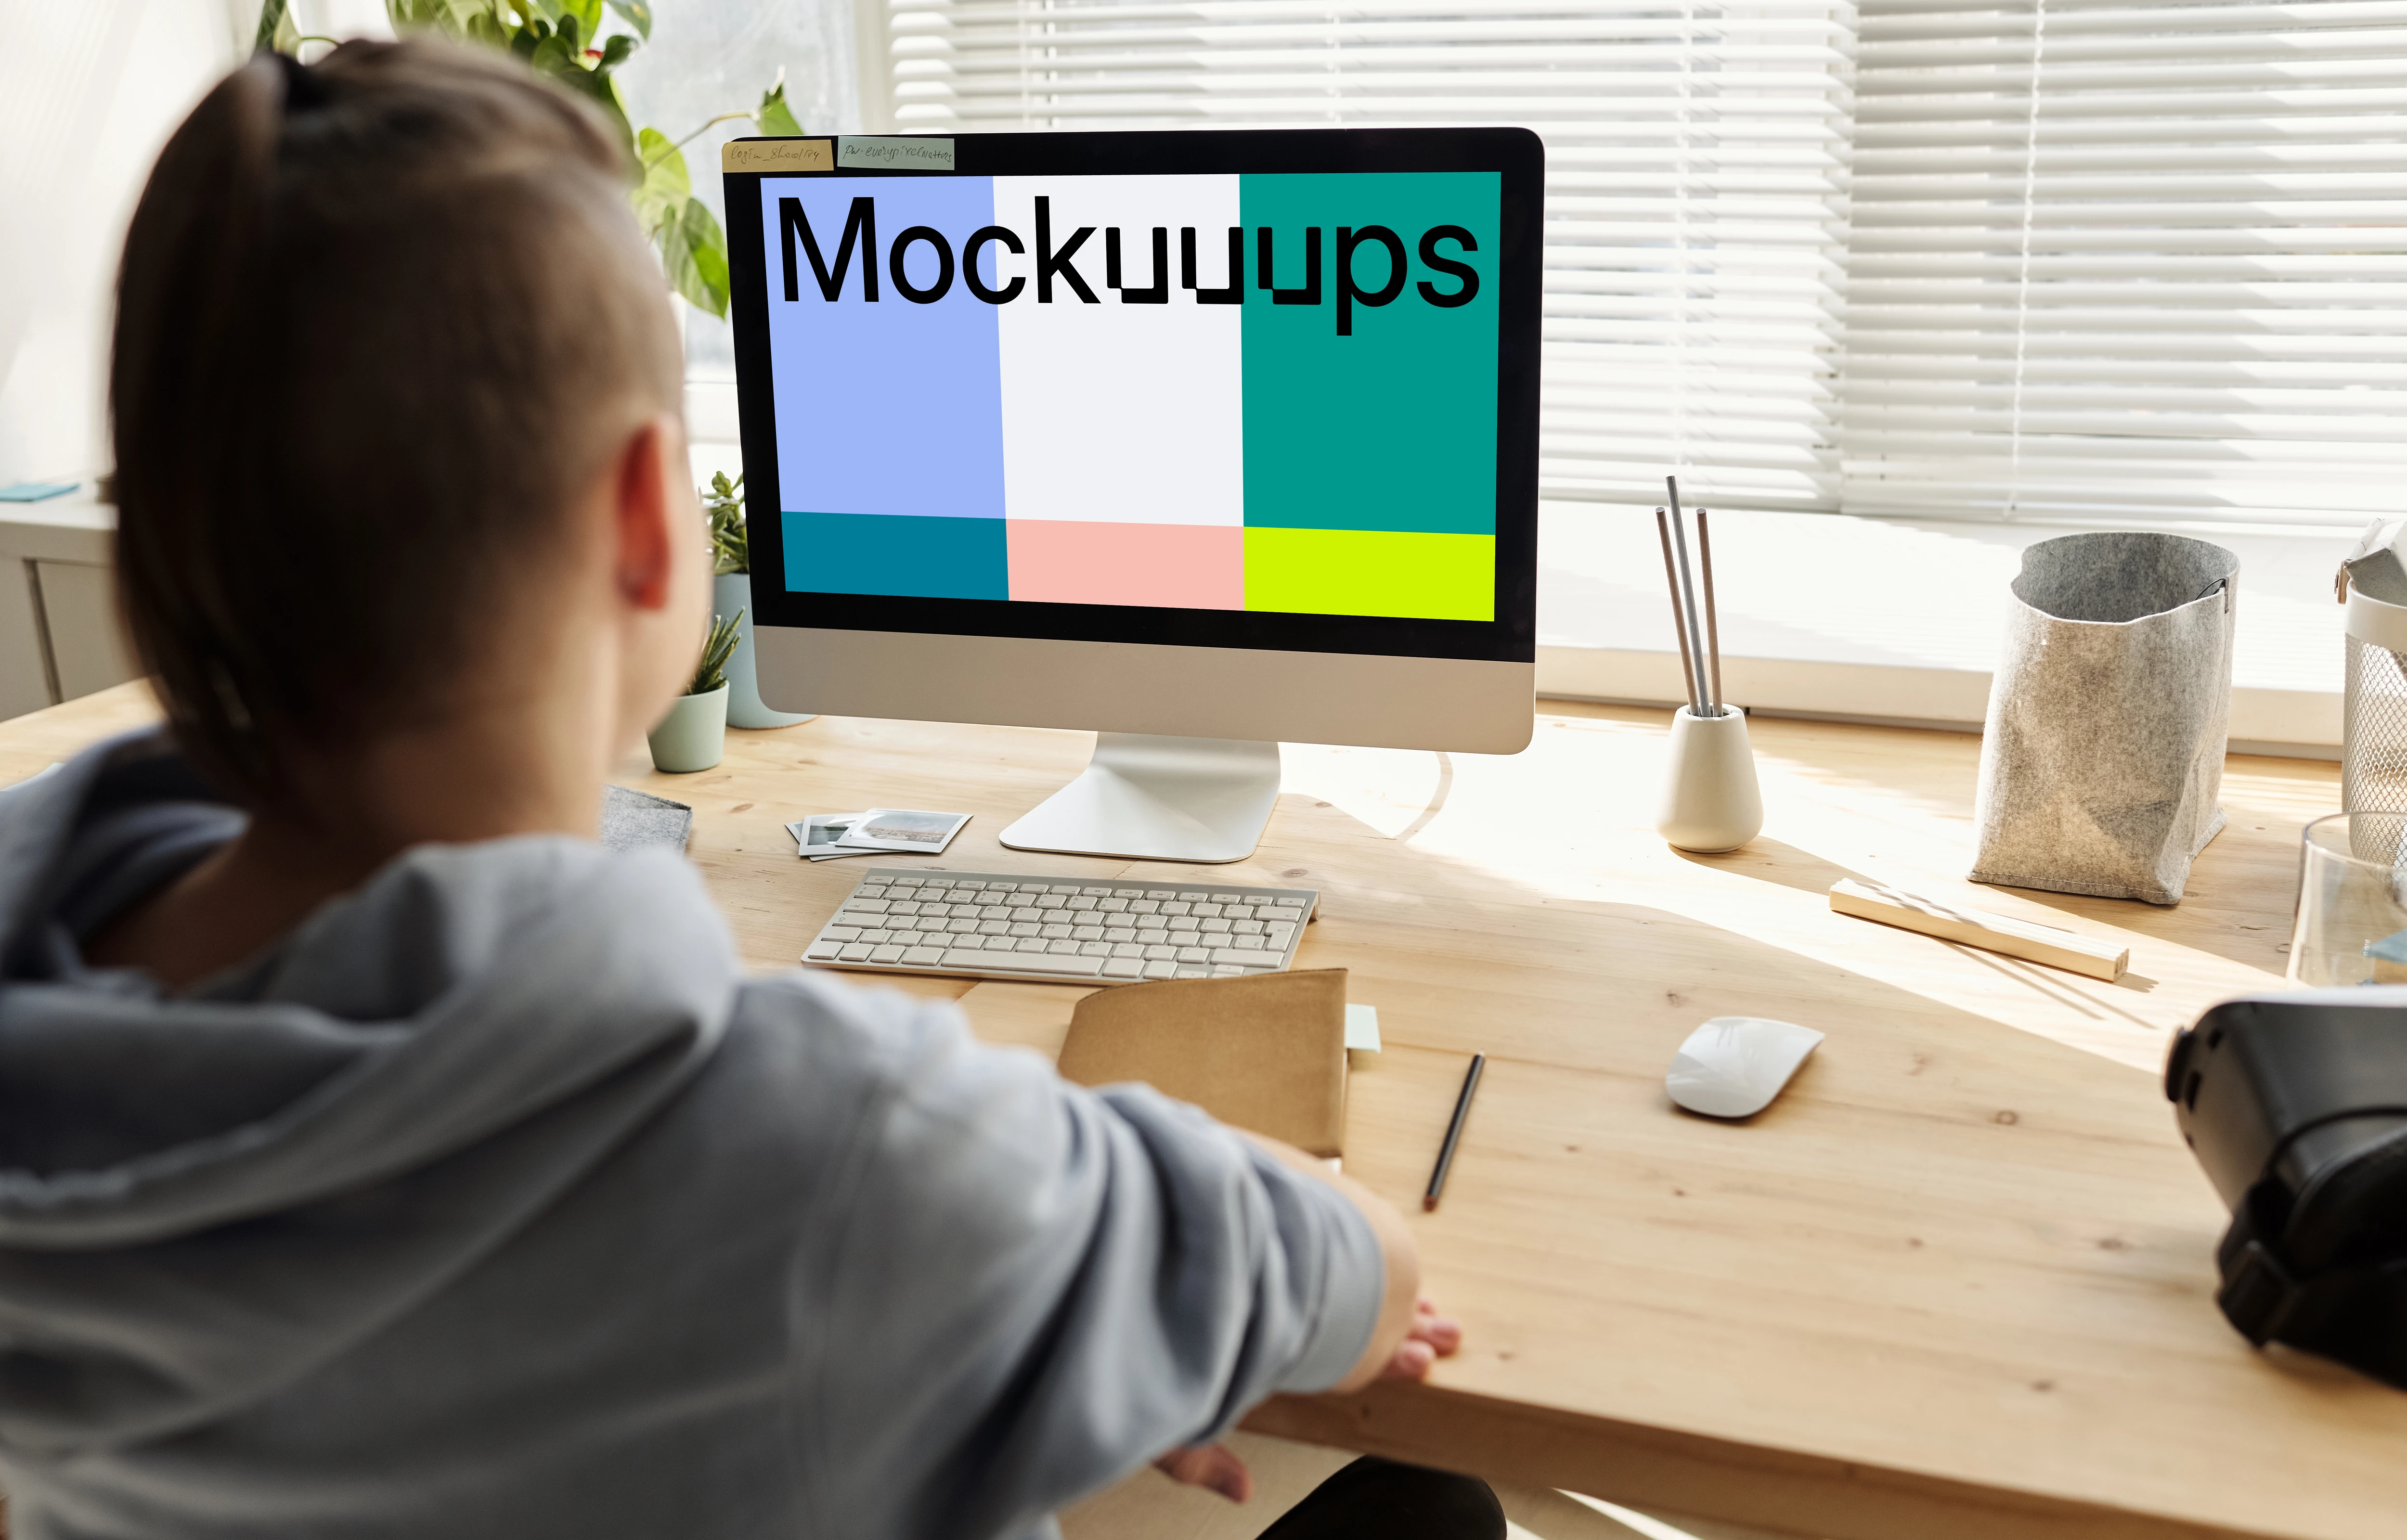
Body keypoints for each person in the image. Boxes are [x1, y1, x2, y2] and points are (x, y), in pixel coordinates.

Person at [0, 38, 1504, 1540]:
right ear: (653, 518)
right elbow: (1364, 1281)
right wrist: (1070, 1279)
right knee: (1426, 1508)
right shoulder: (842, 1154)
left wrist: (1018, 1319)